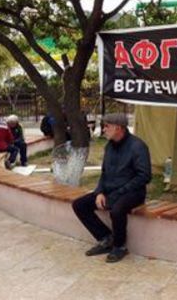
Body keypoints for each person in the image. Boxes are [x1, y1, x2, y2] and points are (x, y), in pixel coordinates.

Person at [72, 113, 151, 263]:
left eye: (107, 126)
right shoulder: (109, 146)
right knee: (79, 205)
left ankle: (119, 246)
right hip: (110, 190)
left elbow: (144, 176)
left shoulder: (138, 146)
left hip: (133, 192)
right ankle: (106, 238)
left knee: (117, 209)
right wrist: (100, 192)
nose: (103, 130)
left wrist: (117, 194)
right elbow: (104, 173)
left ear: (118, 128)